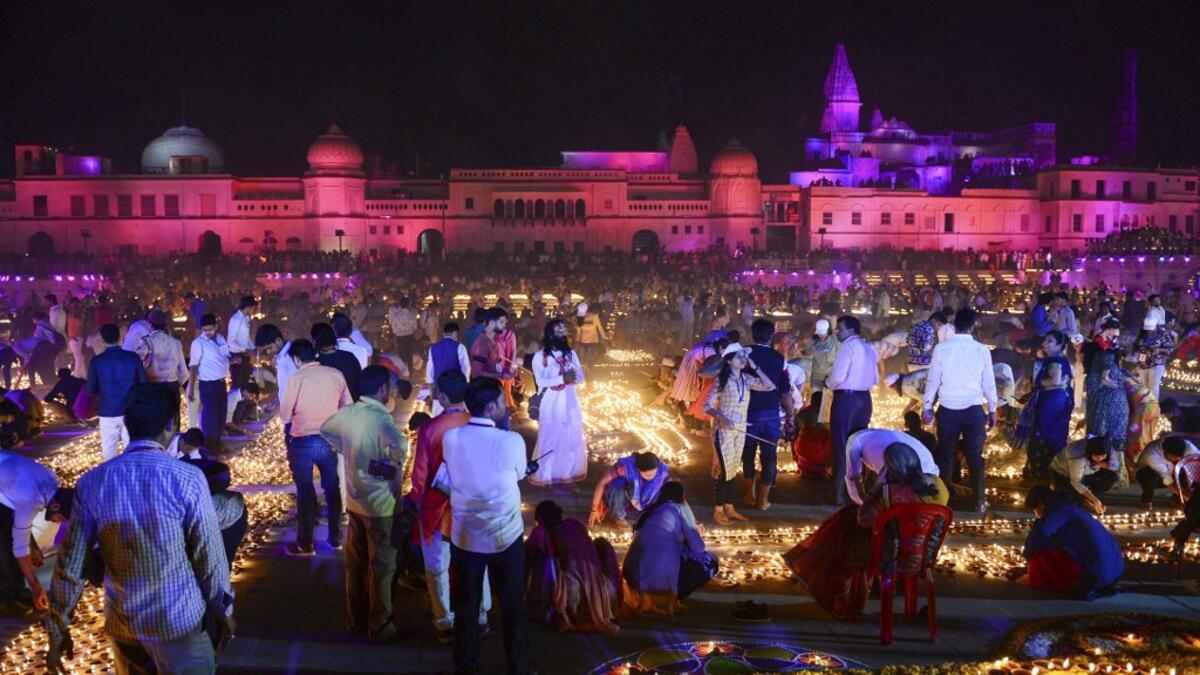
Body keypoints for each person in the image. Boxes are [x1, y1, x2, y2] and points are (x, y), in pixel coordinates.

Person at [45, 383, 234, 674]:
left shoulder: (94, 481)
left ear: (127, 424)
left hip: (125, 624)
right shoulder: (187, 478)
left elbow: (70, 564)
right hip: (177, 622)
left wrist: (58, 628)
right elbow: (208, 556)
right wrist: (223, 608)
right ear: (171, 424)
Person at [783, 442, 945, 619]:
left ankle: (833, 585)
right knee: (847, 520)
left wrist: (876, 488)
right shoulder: (939, 486)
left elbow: (864, 519)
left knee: (844, 528)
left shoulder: (890, 493)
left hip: (890, 555)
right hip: (923, 555)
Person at [438, 377, 532, 675]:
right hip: (505, 534)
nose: (506, 406)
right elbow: (518, 474)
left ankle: (465, 666)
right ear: (491, 407)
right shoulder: (510, 440)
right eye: (502, 402)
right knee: (512, 604)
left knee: (466, 604)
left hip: (465, 534)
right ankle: (519, 666)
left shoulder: (451, 438)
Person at [320, 365, 407, 641]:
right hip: (381, 504)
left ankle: (354, 620)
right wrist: (389, 462)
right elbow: (401, 449)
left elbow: (326, 430)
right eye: (389, 388)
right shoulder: (383, 421)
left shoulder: (348, 413)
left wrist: (347, 450)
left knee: (355, 563)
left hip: (354, 501)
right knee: (382, 566)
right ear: (382, 389)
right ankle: (380, 624)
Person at [409, 370, 490, 642]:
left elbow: (420, 474)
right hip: (473, 505)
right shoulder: (477, 423)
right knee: (477, 561)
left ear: (441, 396)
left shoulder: (431, 428)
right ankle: (480, 616)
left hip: (438, 507)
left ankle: (444, 621)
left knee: (437, 566)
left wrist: (417, 501)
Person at [280, 339, 352, 555]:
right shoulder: (335, 374)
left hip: (302, 440)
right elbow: (347, 405)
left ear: (296, 358)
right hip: (329, 439)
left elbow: (285, 414)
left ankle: (305, 542)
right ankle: (336, 537)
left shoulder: (296, 378)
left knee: (305, 491)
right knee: (332, 488)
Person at [922, 308, 996, 512]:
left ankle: (943, 499)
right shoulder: (982, 350)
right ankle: (979, 500)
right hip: (973, 408)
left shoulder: (942, 349)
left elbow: (933, 381)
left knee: (946, 455)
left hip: (948, 409)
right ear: (973, 326)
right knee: (975, 456)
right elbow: (988, 382)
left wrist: (927, 407)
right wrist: (992, 408)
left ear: (954, 326)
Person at [705, 342, 776, 523]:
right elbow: (707, 405)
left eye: (744, 356)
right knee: (725, 471)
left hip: (741, 428)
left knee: (733, 469)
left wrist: (756, 367)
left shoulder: (746, 378)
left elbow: (770, 386)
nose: (743, 359)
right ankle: (718, 509)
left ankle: (729, 507)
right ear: (729, 361)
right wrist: (721, 417)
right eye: (739, 357)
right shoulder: (721, 380)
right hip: (724, 430)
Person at [1010, 486, 1123, 599]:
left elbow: (1040, 535)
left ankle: (1062, 582)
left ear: (1041, 503)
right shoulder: (1071, 507)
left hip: (1096, 575)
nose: (1035, 514)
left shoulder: (1057, 511)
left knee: (1039, 552)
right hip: (1114, 572)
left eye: (1035, 509)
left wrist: (1027, 559)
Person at [525, 500, 620, 635]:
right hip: (601, 590)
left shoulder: (543, 532)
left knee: (543, 563)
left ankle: (542, 608)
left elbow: (530, 552)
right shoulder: (575, 524)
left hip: (571, 593)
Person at [622, 481, 716, 616]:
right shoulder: (680, 507)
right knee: (709, 561)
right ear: (682, 496)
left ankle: (650, 596)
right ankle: (669, 597)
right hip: (657, 582)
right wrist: (696, 534)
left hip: (632, 575)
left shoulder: (649, 511)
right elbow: (698, 548)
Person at [0, 451, 72, 616]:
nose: (57, 522)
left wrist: (33, 546)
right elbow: (20, 546)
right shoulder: (30, 499)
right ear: (55, 507)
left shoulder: (53, 481)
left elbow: (17, 516)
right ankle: (5, 598)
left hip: (5, 479)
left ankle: (17, 590)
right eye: (60, 518)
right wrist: (36, 585)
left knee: (8, 533)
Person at [741, 319, 792, 511]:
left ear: (752, 334)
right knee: (769, 457)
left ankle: (749, 495)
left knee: (747, 455)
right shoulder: (778, 359)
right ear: (771, 336)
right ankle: (763, 501)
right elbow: (785, 391)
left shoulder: (743, 354)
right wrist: (790, 416)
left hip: (747, 413)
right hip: (770, 414)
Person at [827, 316, 879, 505]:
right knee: (858, 445)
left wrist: (828, 382)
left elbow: (838, 377)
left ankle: (839, 493)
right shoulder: (869, 347)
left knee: (841, 446)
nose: (837, 333)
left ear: (851, 330)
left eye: (840, 329)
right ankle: (858, 493)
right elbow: (875, 377)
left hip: (846, 400)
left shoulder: (847, 347)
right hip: (864, 400)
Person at [529, 319, 588, 486]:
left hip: (569, 402)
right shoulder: (540, 356)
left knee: (570, 441)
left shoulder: (571, 354)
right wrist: (562, 377)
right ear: (549, 334)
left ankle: (566, 475)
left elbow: (581, 378)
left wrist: (572, 376)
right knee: (550, 441)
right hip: (551, 403)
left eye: (564, 331)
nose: (562, 334)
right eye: (558, 331)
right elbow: (540, 382)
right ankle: (546, 477)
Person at [1013, 331, 1074, 479]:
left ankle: (1041, 470)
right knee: (1055, 434)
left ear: (1060, 345)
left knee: (1044, 433)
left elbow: (1055, 381)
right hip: (1059, 401)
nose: (1044, 344)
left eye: (1050, 342)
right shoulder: (1060, 359)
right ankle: (1054, 470)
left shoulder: (1055, 360)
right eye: (1045, 341)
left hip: (1051, 403)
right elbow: (1060, 381)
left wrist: (1038, 384)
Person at [87, 323, 148, 460]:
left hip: (108, 410)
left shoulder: (97, 361)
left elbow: (90, 389)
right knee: (132, 451)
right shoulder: (132, 358)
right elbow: (143, 384)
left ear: (102, 340)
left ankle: (113, 480)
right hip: (130, 410)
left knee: (109, 452)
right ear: (121, 337)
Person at [843, 429, 944, 505]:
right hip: (929, 470)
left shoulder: (854, 440)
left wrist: (864, 503)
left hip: (913, 472)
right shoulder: (882, 434)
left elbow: (853, 477)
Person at [1083, 323, 1129, 461]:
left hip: (1101, 402)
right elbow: (1105, 380)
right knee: (1110, 431)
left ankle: (1093, 456)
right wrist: (1116, 385)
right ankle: (1110, 459)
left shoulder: (1093, 364)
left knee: (1095, 425)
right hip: (1110, 403)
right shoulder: (1108, 357)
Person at [588, 451, 669, 527]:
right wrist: (594, 509)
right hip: (626, 498)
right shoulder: (625, 467)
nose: (650, 478)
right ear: (638, 469)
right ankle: (619, 517)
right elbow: (602, 483)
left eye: (653, 474)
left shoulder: (661, 471)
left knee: (664, 490)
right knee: (618, 484)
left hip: (646, 500)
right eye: (647, 475)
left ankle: (649, 514)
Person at [1050, 436, 1123, 515]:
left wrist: (1099, 464)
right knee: (1066, 493)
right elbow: (1076, 482)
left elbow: (1115, 465)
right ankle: (1085, 501)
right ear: (1090, 453)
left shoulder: (1105, 446)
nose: (1100, 458)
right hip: (1064, 474)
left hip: (1087, 471)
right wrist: (1095, 500)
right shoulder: (1077, 455)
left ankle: (1086, 497)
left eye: (1103, 456)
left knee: (1112, 477)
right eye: (1097, 457)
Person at [1135, 436, 1199, 509]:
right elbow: (1167, 479)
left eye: (1179, 456)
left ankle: (1176, 501)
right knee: (1151, 476)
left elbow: (1197, 463)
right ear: (1165, 451)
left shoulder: (1189, 447)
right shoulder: (1152, 453)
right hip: (1149, 474)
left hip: (1171, 473)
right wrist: (1186, 496)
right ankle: (1146, 499)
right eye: (1173, 456)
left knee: (1187, 471)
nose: (1177, 458)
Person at [136, 309, 188, 395]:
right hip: (172, 388)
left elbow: (137, 362)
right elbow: (185, 373)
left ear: (149, 325)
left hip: (153, 388)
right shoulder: (176, 343)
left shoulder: (146, 341)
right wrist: (175, 385)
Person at [425, 322, 471, 415]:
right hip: (456, 388)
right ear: (455, 333)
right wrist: (465, 385)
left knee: (438, 418)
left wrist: (431, 390)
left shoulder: (433, 348)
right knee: (458, 416)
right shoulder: (460, 347)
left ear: (443, 333)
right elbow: (466, 368)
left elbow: (430, 370)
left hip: (439, 389)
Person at [313, 321, 362, 400]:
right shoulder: (349, 357)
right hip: (353, 408)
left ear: (315, 342)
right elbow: (360, 384)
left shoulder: (315, 364)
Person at [387, 296, 419, 369]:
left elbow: (393, 326)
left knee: (402, 354)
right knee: (409, 354)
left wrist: (397, 332)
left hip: (400, 336)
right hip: (409, 336)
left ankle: (402, 371)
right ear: (408, 304)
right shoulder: (412, 315)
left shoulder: (396, 315)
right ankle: (411, 372)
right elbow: (415, 327)